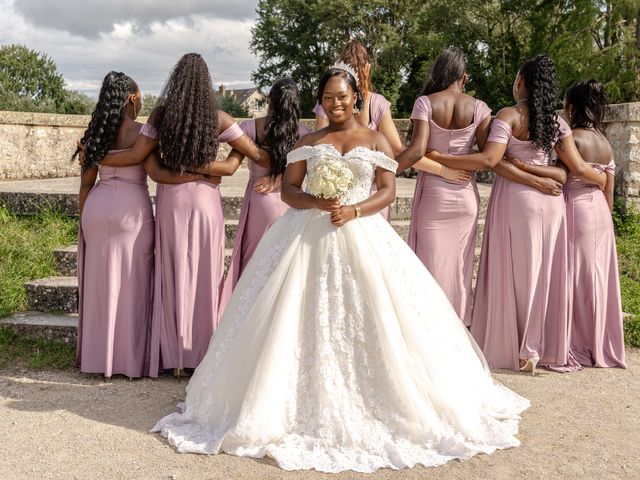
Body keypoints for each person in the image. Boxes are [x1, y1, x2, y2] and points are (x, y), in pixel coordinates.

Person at [152, 65, 529, 473]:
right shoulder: (309, 140)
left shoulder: (376, 139)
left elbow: (386, 191)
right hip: (307, 234)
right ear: (320, 101)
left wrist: (354, 209)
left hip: (362, 231)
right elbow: (291, 191)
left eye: (343, 97)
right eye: (328, 98)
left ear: (356, 98)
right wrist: (317, 202)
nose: (335, 104)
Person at [425, 55, 607, 374]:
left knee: (513, 274)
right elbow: (569, 171)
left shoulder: (507, 116)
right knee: (543, 273)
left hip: (516, 200)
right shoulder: (558, 123)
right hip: (551, 206)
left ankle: (513, 346)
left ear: (520, 81)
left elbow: (490, 160)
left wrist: (442, 157)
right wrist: (600, 178)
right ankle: (536, 347)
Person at [99, 54, 270, 377]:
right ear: (206, 84)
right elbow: (252, 156)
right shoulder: (218, 118)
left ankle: (173, 357)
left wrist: (94, 153)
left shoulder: (161, 116)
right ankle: (201, 355)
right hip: (206, 202)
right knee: (205, 275)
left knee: (173, 273)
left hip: (172, 201)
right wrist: (216, 166)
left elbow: (149, 166)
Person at [74, 71, 210, 378]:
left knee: (100, 286)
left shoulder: (93, 135)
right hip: (131, 213)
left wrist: (84, 222)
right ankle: (128, 361)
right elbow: (159, 174)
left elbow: (85, 186)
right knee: (133, 284)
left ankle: (98, 358)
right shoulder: (142, 132)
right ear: (132, 98)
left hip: (96, 208)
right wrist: (198, 176)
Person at [396, 47, 491, 325]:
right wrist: (458, 164)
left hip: (434, 196)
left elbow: (416, 152)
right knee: (460, 269)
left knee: (428, 266)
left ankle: (429, 326)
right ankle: (458, 327)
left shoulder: (425, 103)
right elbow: (486, 159)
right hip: (465, 194)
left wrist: (385, 173)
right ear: (464, 76)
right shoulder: (480, 108)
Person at [221, 78, 309, 305]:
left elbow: (231, 159)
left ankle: (249, 314)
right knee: (285, 262)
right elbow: (309, 170)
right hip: (292, 202)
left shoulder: (250, 128)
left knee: (254, 263)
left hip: (260, 201)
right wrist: (281, 178)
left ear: (270, 100)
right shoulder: (304, 132)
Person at [559, 80, 626, 368]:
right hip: (600, 211)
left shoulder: (571, 138)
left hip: (576, 207)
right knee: (597, 278)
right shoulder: (605, 142)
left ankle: (575, 341)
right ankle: (598, 341)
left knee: (574, 276)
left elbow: (560, 177)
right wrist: (605, 222)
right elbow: (608, 191)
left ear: (571, 107)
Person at [314, 39, 403, 220]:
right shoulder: (377, 102)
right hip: (370, 195)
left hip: (336, 199)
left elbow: (319, 147)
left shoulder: (329, 101)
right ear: (367, 68)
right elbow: (397, 149)